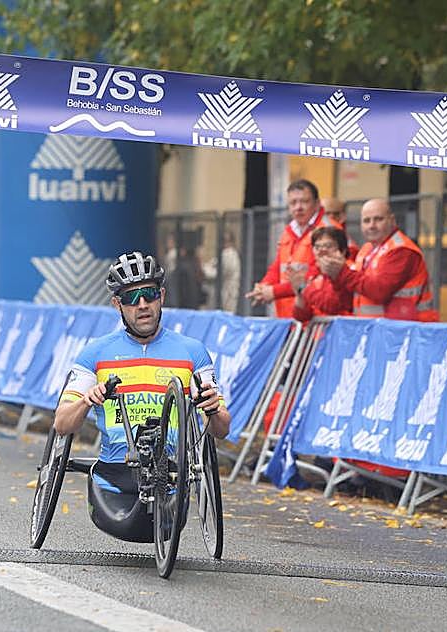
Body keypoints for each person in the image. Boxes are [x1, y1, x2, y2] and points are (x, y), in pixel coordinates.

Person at [53, 252, 231, 542]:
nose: (142, 305)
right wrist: (87, 399)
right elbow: (62, 424)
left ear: (161, 296)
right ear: (117, 304)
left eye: (148, 294)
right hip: (114, 477)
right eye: (131, 298)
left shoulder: (193, 352)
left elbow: (222, 429)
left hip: (172, 477)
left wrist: (212, 410)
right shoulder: (95, 354)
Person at [317, 198, 438, 321]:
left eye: (378, 219)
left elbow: (379, 291)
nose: (372, 225)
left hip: (407, 331)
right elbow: (350, 298)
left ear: (392, 221)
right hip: (381, 329)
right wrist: (335, 277)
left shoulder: (402, 250)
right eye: (366, 221)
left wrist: (341, 272)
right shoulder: (366, 250)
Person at [247, 179, 341, 317]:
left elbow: (317, 276)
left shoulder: (328, 230)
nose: (298, 207)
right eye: (293, 203)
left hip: (316, 317)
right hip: (289, 316)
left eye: (304, 201)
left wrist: (274, 292)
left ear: (317, 204)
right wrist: (264, 286)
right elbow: (278, 267)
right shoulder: (289, 231)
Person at [292, 226, 354, 323]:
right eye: (317, 247)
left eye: (328, 246)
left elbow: (333, 305)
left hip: (342, 333)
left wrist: (304, 289)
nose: (321, 251)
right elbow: (301, 316)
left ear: (342, 251)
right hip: (322, 336)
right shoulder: (314, 274)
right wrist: (299, 296)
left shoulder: (350, 271)